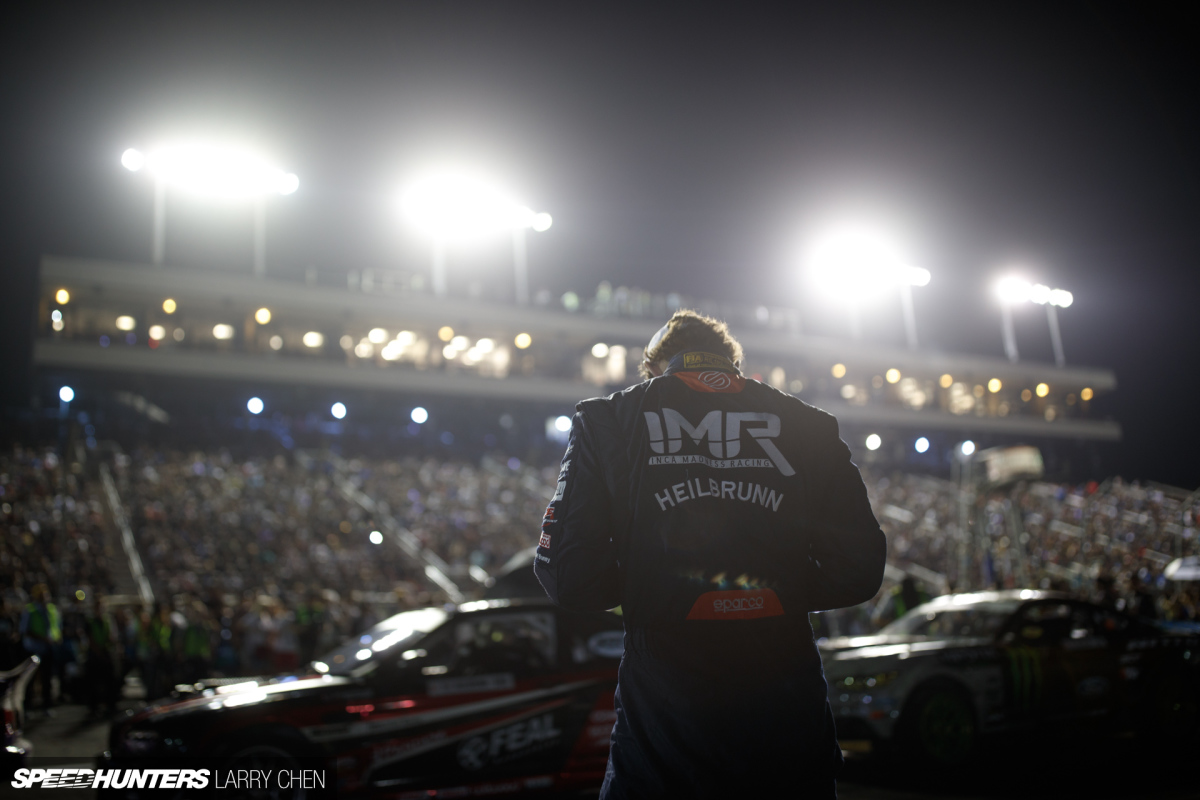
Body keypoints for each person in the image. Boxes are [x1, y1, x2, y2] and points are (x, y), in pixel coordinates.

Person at [535, 309, 886, 799]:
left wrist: (658, 585)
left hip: (665, 728)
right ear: (732, 363)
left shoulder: (606, 418)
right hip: (788, 728)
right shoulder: (812, 425)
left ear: (656, 368)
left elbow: (570, 576)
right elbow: (860, 568)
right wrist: (769, 589)